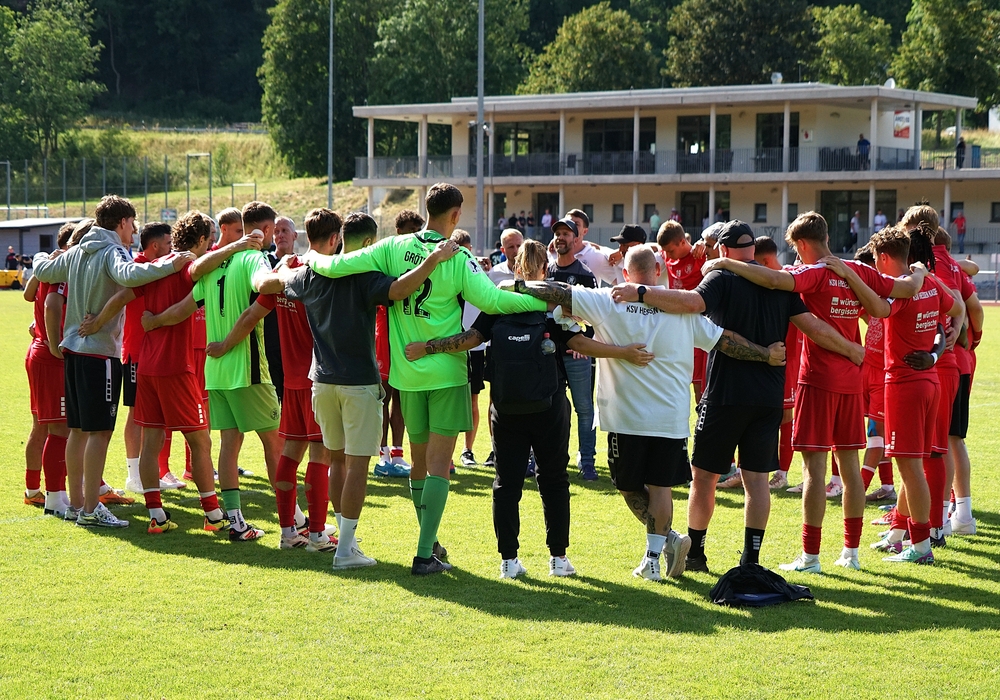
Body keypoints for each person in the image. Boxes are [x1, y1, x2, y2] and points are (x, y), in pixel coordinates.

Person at [304, 183, 549, 576]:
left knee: (418, 464)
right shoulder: (459, 256)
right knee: (438, 466)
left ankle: (429, 542)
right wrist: (544, 299)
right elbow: (494, 302)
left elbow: (338, 265)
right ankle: (423, 555)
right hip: (446, 372)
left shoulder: (392, 247)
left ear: (426, 208)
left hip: (407, 375)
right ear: (455, 215)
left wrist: (310, 255)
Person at [513, 245, 783, 581]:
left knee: (628, 488)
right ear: (658, 270)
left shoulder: (608, 300)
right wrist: (765, 354)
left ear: (625, 274)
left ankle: (664, 546)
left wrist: (515, 285)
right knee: (660, 488)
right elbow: (725, 341)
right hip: (670, 417)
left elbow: (555, 290)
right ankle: (656, 555)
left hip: (625, 416)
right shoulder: (680, 307)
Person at [614, 222, 864, 572]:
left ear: (724, 250)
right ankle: (751, 559)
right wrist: (851, 348)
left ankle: (696, 555)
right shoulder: (778, 280)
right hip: (768, 397)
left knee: (704, 477)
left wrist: (639, 292)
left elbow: (691, 303)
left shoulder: (721, 275)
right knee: (757, 480)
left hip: (725, 395)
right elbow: (814, 327)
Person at [406, 240, 654, 578]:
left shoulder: (499, 301)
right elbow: (580, 343)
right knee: (554, 481)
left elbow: (470, 338)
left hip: (506, 408)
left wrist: (428, 347)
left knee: (506, 483)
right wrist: (623, 352)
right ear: (544, 270)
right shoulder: (552, 305)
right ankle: (558, 559)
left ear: (516, 268)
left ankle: (509, 562)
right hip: (549, 406)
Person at [702, 211, 926, 572]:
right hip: (852, 380)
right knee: (850, 469)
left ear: (803, 244)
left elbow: (773, 279)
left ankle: (810, 557)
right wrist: (920, 270)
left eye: (796, 249)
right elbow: (906, 289)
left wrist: (724, 262)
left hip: (818, 380)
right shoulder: (858, 270)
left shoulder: (815, 272)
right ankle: (851, 553)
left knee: (814, 471)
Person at [257, 209, 458, 565]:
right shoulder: (364, 274)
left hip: (321, 381)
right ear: (360, 242)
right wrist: (433, 260)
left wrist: (279, 266)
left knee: (336, 461)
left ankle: (342, 541)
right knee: (357, 465)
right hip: (358, 382)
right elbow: (400, 288)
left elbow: (266, 284)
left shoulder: (308, 272)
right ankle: (345, 549)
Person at [80, 212, 261, 535]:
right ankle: (213, 514)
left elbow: (122, 296)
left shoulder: (155, 268)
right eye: (210, 241)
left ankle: (157, 515)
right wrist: (239, 245)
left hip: (147, 366)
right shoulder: (185, 266)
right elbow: (198, 271)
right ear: (202, 241)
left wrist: (97, 322)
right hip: (175, 367)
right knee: (200, 441)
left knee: (152, 440)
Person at [33, 195, 193, 527]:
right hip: (99, 354)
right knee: (100, 433)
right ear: (121, 222)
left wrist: (39, 254)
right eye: (132, 223)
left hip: (74, 352)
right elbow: (130, 275)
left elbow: (43, 269)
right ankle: (92, 509)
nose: (134, 229)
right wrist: (172, 263)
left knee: (78, 431)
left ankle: (78, 505)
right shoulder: (111, 250)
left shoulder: (77, 251)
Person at [143, 201, 286, 542]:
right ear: (266, 230)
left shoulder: (210, 266)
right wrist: (284, 276)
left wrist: (155, 321)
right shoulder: (249, 258)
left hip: (210, 372)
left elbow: (179, 308)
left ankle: (231, 521)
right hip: (241, 370)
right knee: (273, 444)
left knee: (226, 445)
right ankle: (291, 521)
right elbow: (259, 289)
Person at [835, 225, 963, 564]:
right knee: (913, 465)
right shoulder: (930, 283)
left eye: (876, 260)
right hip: (929, 381)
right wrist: (936, 353)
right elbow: (955, 310)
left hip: (904, 385)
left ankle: (920, 546)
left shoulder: (901, 289)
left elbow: (878, 309)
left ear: (883, 257)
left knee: (910, 468)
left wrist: (850, 276)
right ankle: (899, 535)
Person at [120, 223, 179, 494]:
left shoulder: (157, 268)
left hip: (154, 353)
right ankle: (134, 476)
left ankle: (151, 473)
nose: (171, 248)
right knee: (136, 413)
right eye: (168, 244)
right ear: (155, 245)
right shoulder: (138, 268)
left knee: (153, 416)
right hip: (136, 351)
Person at [23, 222, 75, 515]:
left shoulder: (49, 266)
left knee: (43, 425)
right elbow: (51, 305)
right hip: (50, 355)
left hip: (39, 351)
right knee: (60, 428)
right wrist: (54, 342)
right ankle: (56, 495)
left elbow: (28, 295)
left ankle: (33, 489)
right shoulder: (62, 269)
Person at [374, 210, 425, 477]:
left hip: (407, 334)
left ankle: (397, 452)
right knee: (383, 397)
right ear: (398, 231)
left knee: (402, 398)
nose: (414, 234)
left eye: (417, 229)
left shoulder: (422, 258)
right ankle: (381, 454)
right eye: (409, 229)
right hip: (385, 333)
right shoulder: (388, 257)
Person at [548, 216, 598, 480]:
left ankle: (587, 461)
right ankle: (552, 458)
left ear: (576, 239)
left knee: (584, 408)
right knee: (550, 407)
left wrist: (584, 342)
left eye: (566, 234)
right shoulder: (546, 272)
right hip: (550, 354)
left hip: (576, 354)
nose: (561, 238)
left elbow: (595, 316)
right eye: (558, 234)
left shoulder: (585, 274)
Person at [657, 220, 709, 401]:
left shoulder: (700, 257)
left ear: (682, 242)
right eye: (665, 251)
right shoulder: (668, 256)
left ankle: (701, 417)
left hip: (698, 328)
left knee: (699, 387)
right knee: (673, 384)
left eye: (670, 250)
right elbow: (647, 248)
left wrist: (703, 243)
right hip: (676, 330)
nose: (667, 255)